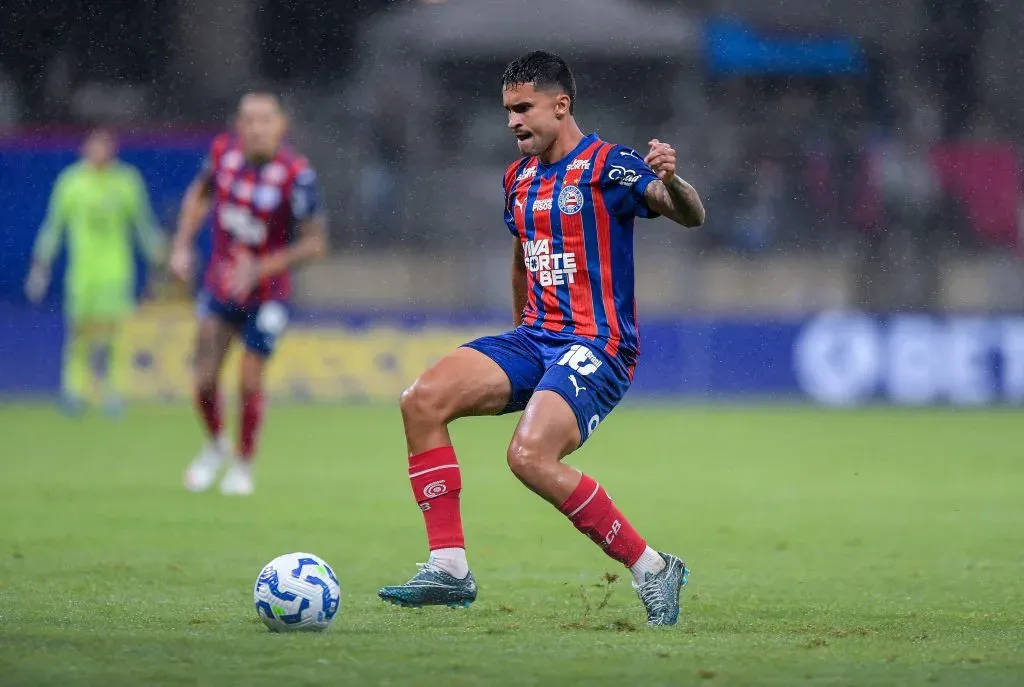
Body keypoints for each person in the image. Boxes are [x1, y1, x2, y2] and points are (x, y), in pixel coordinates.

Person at [379, 51, 705, 626]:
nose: (512, 121)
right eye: (507, 110)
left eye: (523, 108)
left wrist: (672, 180)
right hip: (533, 338)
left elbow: (688, 214)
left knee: (528, 456)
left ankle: (653, 568)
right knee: (420, 401)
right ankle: (449, 567)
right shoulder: (518, 178)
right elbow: (522, 254)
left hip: (598, 345)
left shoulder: (610, 165)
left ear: (562, 104)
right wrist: (517, 347)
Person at [169, 92, 327, 496]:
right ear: (238, 126)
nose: (257, 128)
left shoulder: (297, 174)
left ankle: (242, 464)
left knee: (249, 380)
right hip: (222, 284)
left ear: (281, 125)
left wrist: (261, 266)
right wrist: (183, 245)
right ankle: (217, 444)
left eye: (265, 119)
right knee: (203, 378)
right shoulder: (223, 154)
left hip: (269, 293)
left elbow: (316, 244)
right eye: (249, 120)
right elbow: (200, 194)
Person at [25, 127, 165, 416]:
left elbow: (143, 224)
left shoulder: (126, 181)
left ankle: (112, 392)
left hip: (115, 272)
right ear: (85, 149)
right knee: (78, 333)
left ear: (112, 150)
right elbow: (54, 226)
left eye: (105, 147)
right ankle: (73, 391)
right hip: (82, 274)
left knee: (113, 334)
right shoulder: (72, 182)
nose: (99, 152)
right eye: (94, 146)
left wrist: (158, 257)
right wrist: (40, 266)